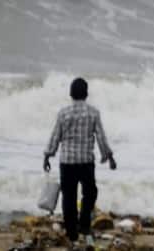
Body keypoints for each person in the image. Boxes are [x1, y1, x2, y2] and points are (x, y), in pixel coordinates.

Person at [43, 77, 116, 247]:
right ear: (86, 94)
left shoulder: (63, 113)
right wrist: (109, 157)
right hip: (86, 162)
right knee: (90, 193)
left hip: (67, 162)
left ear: (70, 93)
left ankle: (72, 233)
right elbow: (101, 137)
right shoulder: (93, 112)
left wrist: (48, 155)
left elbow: (55, 136)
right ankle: (84, 223)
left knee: (68, 197)